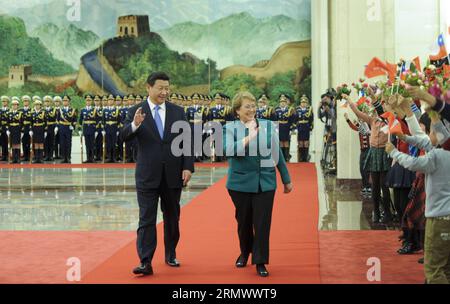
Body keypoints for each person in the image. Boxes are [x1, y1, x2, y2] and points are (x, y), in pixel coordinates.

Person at [120, 72, 194, 276]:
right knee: (146, 218)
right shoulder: (136, 111)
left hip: (173, 174)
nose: (164, 92)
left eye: (167, 88)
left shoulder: (178, 112)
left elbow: (187, 141)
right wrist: (135, 124)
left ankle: (170, 253)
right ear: (148, 88)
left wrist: (188, 166)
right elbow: (124, 136)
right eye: (160, 88)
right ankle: (145, 261)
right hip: (147, 174)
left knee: (172, 217)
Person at [223, 91, 293, 277]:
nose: (252, 109)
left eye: (254, 106)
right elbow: (228, 150)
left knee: (262, 223)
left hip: (265, 182)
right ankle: (245, 251)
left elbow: (277, 154)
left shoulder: (268, 126)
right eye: (247, 106)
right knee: (244, 222)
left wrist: (286, 179)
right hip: (240, 183)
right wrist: (248, 138)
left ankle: (260, 260)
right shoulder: (229, 128)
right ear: (237, 110)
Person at [386, 112, 450, 284]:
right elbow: (423, 141)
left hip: (440, 219)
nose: (428, 135)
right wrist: (404, 137)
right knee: (446, 268)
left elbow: (413, 163)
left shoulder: (438, 156)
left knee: (434, 270)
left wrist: (394, 152)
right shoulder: (443, 150)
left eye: (430, 131)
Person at [295, 95, 314, 162]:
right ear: (300, 103)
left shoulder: (309, 109)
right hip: (300, 126)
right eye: (302, 102)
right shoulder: (297, 109)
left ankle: (305, 157)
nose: (303, 104)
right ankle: (301, 157)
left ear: (307, 103)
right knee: (300, 142)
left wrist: (311, 128)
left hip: (306, 126)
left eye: (305, 102)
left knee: (306, 142)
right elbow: (295, 119)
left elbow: (311, 119)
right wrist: (295, 127)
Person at [79, 95, 97, 163]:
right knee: (87, 144)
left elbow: (97, 120)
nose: (88, 102)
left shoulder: (94, 109)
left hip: (92, 128)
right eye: (87, 100)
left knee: (92, 144)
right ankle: (88, 158)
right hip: (86, 128)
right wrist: (80, 130)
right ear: (85, 101)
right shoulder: (83, 110)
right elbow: (80, 121)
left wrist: (96, 130)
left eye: (89, 100)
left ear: (91, 101)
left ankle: (92, 158)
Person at [31, 97, 47, 163]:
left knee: (41, 144)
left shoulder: (43, 112)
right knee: (36, 143)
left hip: (41, 129)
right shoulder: (32, 113)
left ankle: (41, 158)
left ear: (40, 106)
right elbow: (31, 122)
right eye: (36, 105)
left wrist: (45, 131)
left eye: (38, 105)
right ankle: (36, 158)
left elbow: (46, 122)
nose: (37, 106)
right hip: (35, 129)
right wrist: (31, 130)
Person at [43, 96, 57, 161]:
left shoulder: (54, 110)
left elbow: (57, 119)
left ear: (50, 102)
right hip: (45, 128)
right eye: (46, 101)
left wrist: (56, 127)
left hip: (52, 127)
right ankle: (46, 155)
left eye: (48, 101)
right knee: (45, 142)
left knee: (51, 142)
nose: (47, 103)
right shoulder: (42, 110)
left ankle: (51, 156)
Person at [1, 96, 10, 162]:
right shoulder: (0, 110)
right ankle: (3, 156)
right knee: (2, 142)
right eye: (3, 101)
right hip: (1, 128)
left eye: (5, 101)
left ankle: (6, 156)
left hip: (7, 128)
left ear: (7, 102)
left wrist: (8, 128)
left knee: (7, 142)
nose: (4, 102)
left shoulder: (9, 110)